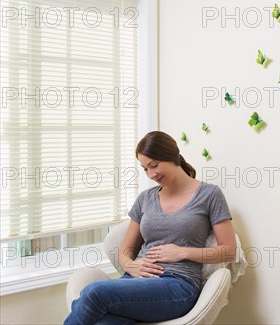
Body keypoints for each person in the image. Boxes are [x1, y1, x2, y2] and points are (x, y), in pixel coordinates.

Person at [65, 131, 236, 325]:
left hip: (178, 284)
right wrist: (132, 265)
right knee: (104, 322)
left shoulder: (209, 194)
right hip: (135, 280)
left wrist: (182, 252)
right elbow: (125, 251)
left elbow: (228, 251)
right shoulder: (145, 199)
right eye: (145, 169)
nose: (151, 174)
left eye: (154, 165)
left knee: (94, 292)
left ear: (172, 156)